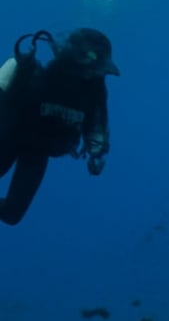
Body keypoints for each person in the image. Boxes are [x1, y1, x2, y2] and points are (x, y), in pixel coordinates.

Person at [0, 28, 119, 225]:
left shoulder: (94, 92)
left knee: (12, 214)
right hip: (9, 138)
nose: (94, 74)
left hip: (38, 151)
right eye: (93, 67)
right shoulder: (32, 76)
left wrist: (97, 147)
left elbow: (96, 121)